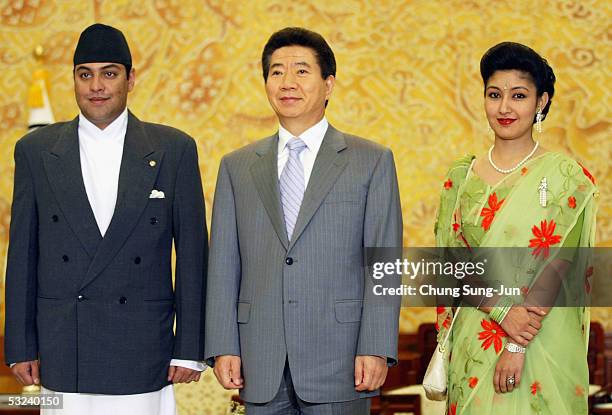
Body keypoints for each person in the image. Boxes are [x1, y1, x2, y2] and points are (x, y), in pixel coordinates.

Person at [4, 23, 208, 414]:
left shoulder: (173, 149)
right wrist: (20, 345)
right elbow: (23, 254)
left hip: (143, 345)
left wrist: (190, 348)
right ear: (75, 81)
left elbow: (194, 255)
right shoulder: (36, 150)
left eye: (109, 73)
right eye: (85, 74)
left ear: (130, 79)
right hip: (64, 345)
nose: (96, 85)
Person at [205, 27, 402, 414]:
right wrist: (223, 344)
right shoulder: (237, 167)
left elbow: (383, 264)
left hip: (341, 358)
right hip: (259, 359)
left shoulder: (371, 160)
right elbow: (223, 263)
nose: (287, 82)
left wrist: (376, 347)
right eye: (276, 72)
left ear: (328, 84)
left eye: (301, 71)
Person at [434, 42, 598, 414]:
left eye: (518, 95)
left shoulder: (564, 176)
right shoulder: (460, 177)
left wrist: (517, 344)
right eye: (495, 95)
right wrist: (502, 311)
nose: (504, 107)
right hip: (476, 335)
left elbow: (560, 264)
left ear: (541, 102)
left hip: (539, 339)